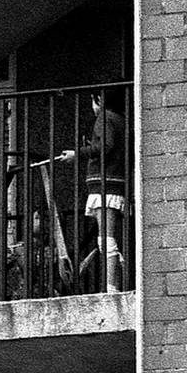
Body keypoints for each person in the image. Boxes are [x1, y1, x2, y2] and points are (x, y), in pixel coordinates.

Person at [58, 89, 127, 291]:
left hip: (105, 185)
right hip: (115, 183)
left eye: (93, 100)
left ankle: (112, 287)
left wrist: (76, 154)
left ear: (99, 100)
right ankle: (116, 281)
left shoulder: (105, 117)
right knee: (109, 238)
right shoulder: (121, 120)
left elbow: (105, 145)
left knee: (106, 239)